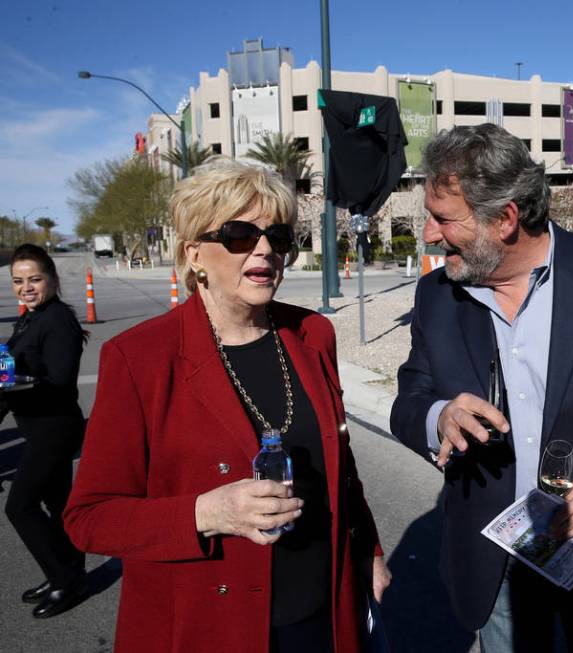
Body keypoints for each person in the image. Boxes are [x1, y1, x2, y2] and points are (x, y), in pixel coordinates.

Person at [64, 159, 390, 652]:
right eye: (239, 235)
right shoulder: (138, 358)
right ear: (195, 254)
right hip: (209, 622)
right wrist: (206, 513)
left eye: (278, 237)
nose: (264, 249)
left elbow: (341, 465)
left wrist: (369, 550)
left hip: (323, 609)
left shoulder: (312, 335)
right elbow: (89, 518)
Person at [390, 123, 573, 651]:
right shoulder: (437, 296)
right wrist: (438, 417)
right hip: (494, 563)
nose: (430, 235)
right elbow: (408, 398)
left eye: (443, 219)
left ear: (505, 219)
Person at [4, 243, 88, 619]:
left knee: (20, 507)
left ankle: (63, 579)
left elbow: (59, 382)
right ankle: (67, 572)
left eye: (34, 279)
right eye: (18, 281)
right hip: (36, 426)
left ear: (52, 280)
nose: (26, 287)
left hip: (55, 427)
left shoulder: (58, 321)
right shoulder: (28, 319)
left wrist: (20, 380)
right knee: (58, 507)